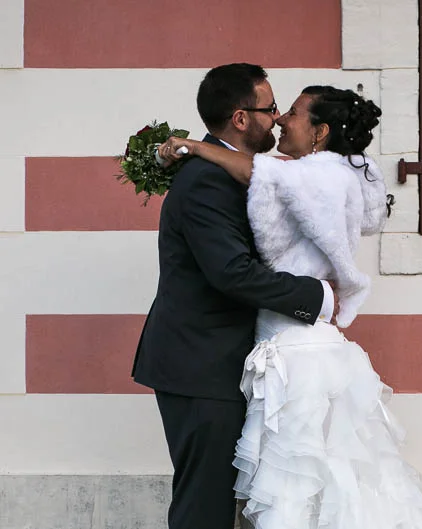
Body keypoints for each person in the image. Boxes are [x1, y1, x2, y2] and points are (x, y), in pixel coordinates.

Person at [158, 86, 422, 529]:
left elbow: (259, 173)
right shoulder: (333, 171)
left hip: (296, 350)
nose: (280, 119)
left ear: (321, 132)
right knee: (306, 483)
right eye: (275, 109)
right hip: (280, 344)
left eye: (290, 111)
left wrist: (194, 146)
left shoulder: (321, 175)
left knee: (296, 489)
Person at [132, 64, 337, 529]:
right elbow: (231, 273)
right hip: (202, 364)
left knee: (232, 502)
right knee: (205, 505)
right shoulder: (206, 180)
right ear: (241, 119)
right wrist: (316, 296)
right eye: (270, 108)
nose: (279, 117)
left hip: (226, 360)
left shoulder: (234, 171)